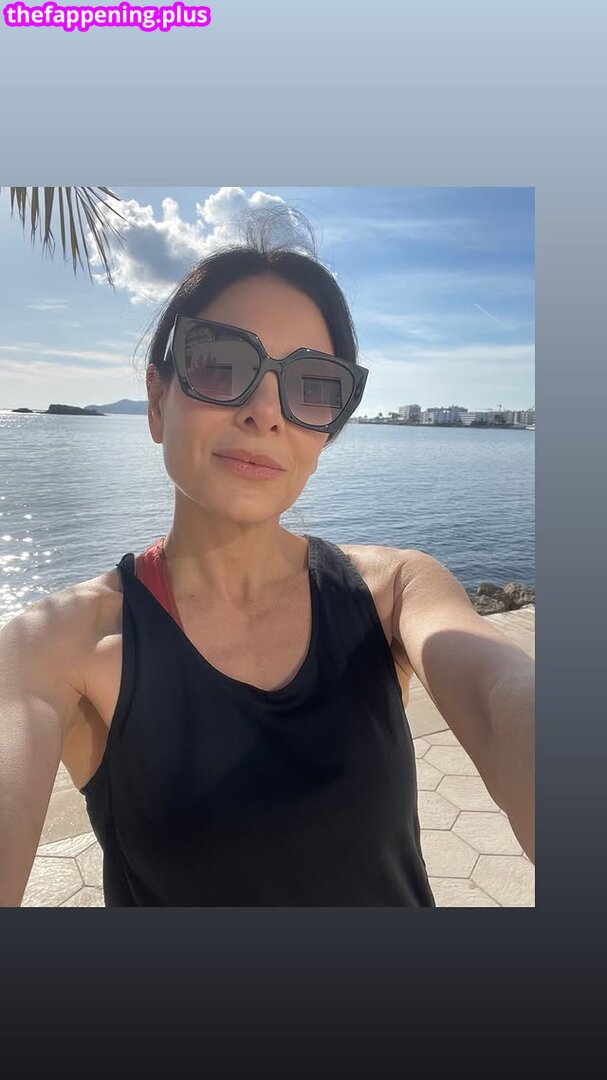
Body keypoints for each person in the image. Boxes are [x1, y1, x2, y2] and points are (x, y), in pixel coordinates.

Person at [0, 215, 534, 907]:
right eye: (219, 365)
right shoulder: (60, 647)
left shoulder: (393, 593)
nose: (265, 411)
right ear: (158, 401)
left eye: (312, 385)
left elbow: (500, 699)